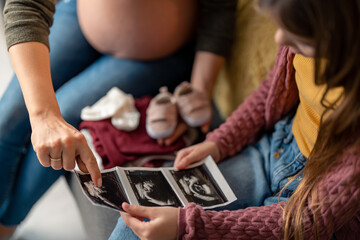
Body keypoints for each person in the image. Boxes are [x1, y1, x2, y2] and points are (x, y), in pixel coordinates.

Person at [109, 0, 360, 239]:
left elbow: (306, 222)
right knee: (139, 220)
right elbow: (268, 94)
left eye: (300, 38)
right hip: (275, 149)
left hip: (313, 199)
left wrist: (188, 226)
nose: (279, 39)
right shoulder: (302, 39)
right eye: (280, 27)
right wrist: (220, 142)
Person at [0, 0, 237, 238]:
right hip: (81, 16)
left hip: (159, 51)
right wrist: (43, 114)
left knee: (67, 111)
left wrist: (197, 93)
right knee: (9, 116)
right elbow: (26, 5)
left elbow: (219, 8)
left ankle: (6, 224)